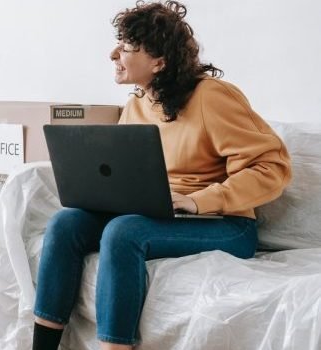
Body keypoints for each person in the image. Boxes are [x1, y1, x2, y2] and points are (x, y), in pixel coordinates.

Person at [32, 1, 292, 349]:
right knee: (66, 224)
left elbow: (272, 167)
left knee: (123, 233)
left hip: (226, 223)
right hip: (160, 213)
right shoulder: (137, 105)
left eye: (125, 47)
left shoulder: (211, 98)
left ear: (159, 61)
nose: (113, 54)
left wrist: (198, 201)